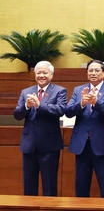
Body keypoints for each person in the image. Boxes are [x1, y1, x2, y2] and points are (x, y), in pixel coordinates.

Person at [64, 59, 104, 198]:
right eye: (90, 70)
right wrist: (82, 103)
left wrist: (97, 103)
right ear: (86, 73)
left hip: (103, 146)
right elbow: (68, 111)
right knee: (81, 186)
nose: (93, 73)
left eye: (97, 70)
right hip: (82, 145)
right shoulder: (78, 90)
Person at [13, 61, 67, 196]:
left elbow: (60, 110)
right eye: (39, 73)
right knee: (29, 185)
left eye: (45, 72)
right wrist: (25, 106)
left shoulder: (59, 91)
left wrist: (39, 105)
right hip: (29, 144)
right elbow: (17, 115)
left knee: (49, 186)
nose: (41, 75)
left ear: (51, 75)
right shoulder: (26, 92)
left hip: (49, 145)